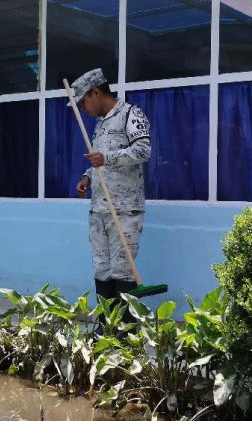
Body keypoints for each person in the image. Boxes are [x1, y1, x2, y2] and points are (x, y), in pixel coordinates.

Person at [69, 68, 152, 305]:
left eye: (83, 101)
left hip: (124, 210)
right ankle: (106, 328)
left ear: (96, 93)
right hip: (100, 210)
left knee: (122, 272)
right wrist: (87, 176)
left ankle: (125, 333)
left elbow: (143, 150)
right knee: (101, 269)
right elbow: (99, 159)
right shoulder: (99, 124)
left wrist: (107, 158)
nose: (82, 108)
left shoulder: (130, 114)